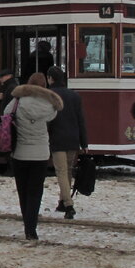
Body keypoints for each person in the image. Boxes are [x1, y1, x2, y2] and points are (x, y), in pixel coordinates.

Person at [4, 71, 62, 240]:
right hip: (41, 155)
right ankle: (32, 228)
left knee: (23, 191)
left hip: (20, 153)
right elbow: (53, 116)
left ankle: (26, 224)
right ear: (44, 86)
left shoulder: (17, 102)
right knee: (35, 192)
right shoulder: (49, 105)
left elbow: (6, 115)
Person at [46, 65, 87, 219]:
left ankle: (69, 205)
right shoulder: (74, 96)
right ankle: (62, 201)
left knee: (61, 172)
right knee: (68, 171)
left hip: (57, 139)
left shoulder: (49, 95)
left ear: (51, 78)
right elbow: (80, 121)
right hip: (73, 139)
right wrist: (85, 143)